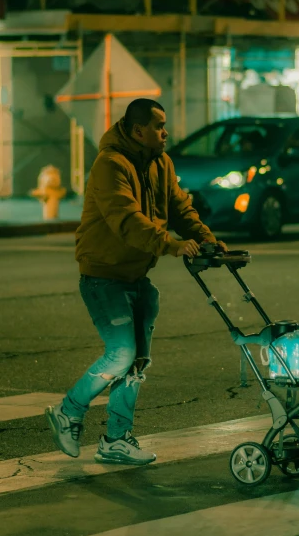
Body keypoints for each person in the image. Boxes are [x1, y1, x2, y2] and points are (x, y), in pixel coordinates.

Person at [46, 98, 224, 465]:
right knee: (121, 353)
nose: (166, 132)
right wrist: (171, 246)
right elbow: (126, 220)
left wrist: (207, 240)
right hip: (103, 274)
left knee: (137, 361)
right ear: (138, 129)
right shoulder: (110, 165)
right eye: (159, 126)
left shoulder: (161, 162)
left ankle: (115, 439)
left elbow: (180, 208)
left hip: (137, 275)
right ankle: (69, 409)